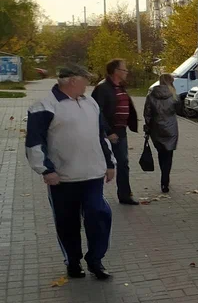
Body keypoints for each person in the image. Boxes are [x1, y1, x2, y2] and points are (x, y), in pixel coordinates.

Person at [25, 64, 116, 280]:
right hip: (63, 178)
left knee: (99, 214)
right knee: (67, 222)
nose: (87, 84)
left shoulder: (89, 102)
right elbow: (34, 142)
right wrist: (46, 170)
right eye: (85, 79)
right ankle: (73, 262)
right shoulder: (45, 105)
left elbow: (101, 135)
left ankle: (95, 260)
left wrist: (110, 163)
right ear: (72, 81)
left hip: (92, 174)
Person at [92, 58, 138, 205]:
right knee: (101, 163)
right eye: (124, 69)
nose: (127, 72)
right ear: (116, 71)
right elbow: (97, 112)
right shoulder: (103, 88)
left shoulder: (120, 86)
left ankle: (125, 195)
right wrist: (108, 131)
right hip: (109, 133)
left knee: (123, 163)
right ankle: (93, 197)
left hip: (121, 131)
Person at [143, 74, 181, 193]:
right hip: (171, 128)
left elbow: (147, 113)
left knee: (161, 153)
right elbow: (180, 111)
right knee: (169, 155)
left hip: (156, 128)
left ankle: (163, 179)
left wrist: (148, 125)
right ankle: (165, 180)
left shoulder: (151, 95)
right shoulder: (174, 96)